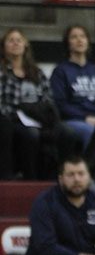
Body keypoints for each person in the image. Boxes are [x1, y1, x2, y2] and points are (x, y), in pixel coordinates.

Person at [0, 28, 68, 179]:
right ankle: (30, 177)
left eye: (19, 40)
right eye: (10, 40)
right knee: (30, 134)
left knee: (66, 133)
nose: (15, 43)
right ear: (3, 46)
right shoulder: (2, 72)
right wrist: (18, 114)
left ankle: (59, 177)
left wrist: (40, 115)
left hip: (38, 118)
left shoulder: (37, 72)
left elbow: (48, 99)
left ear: (25, 45)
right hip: (11, 119)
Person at [50, 24, 95, 150]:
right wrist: (85, 118)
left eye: (82, 36)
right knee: (90, 131)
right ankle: (90, 168)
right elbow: (60, 104)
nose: (79, 40)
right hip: (73, 120)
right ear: (68, 43)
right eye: (74, 37)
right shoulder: (60, 71)